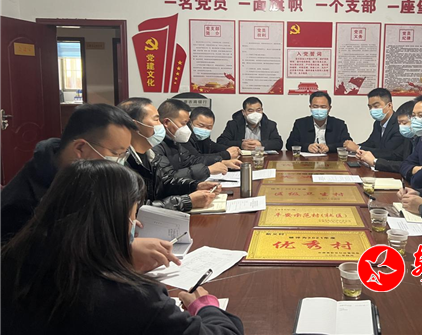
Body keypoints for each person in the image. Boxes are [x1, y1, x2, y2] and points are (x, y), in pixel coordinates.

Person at [1, 160, 244, 335]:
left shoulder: (14, 259)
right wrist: (206, 307)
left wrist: (117, 256)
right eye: (133, 215)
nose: (136, 225)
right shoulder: (132, 298)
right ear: (111, 220)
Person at [0, 103, 180, 271]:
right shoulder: (24, 201)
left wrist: (121, 221)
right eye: (115, 153)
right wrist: (120, 250)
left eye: (124, 154)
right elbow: (40, 261)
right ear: (80, 148)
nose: (120, 162)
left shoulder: (84, 175)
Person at [118, 98, 219, 212]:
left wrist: (195, 186)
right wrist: (186, 202)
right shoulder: (122, 163)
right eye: (156, 119)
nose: (161, 124)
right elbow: (136, 209)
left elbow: (164, 182)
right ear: (135, 125)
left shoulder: (150, 155)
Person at [153, 99, 238, 180]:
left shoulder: (174, 141)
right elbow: (166, 178)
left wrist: (222, 162)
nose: (186, 128)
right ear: (166, 122)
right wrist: (207, 170)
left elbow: (191, 160)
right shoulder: (155, 144)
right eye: (183, 123)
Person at [343, 88, 406, 160]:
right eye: (370, 107)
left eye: (376, 106)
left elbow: (387, 152)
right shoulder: (377, 123)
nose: (372, 110)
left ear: (389, 105)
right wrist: (353, 146)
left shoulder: (399, 124)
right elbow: (371, 143)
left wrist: (358, 148)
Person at [285, 91, 351, 153]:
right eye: (315, 106)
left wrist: (329, 148)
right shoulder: (300, 123)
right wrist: (307, 147)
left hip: (331, 159)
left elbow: (348, 144)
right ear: (310, 107)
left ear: (329, 108)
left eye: (323, 107)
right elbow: (290, 144)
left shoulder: (339, 124)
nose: (319, 110)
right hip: (307, 160)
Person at [356, 100, 416, 166]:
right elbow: (396, 155)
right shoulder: (409, 138)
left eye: (404, 123)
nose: (401, 127)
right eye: (399, 123)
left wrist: (375, 162)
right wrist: (367, 156)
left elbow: (407, 165)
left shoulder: (420, 140)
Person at [217, 97, 283, 151]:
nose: (255, 114)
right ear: (243, 112)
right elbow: (221, 142)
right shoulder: (233, 124)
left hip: (262, 158)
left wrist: (261, 144)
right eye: (251, 111)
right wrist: (241, 145)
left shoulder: (270, 125)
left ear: (262, 110)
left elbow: (278, 143)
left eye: (258, 110)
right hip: (240, 159)